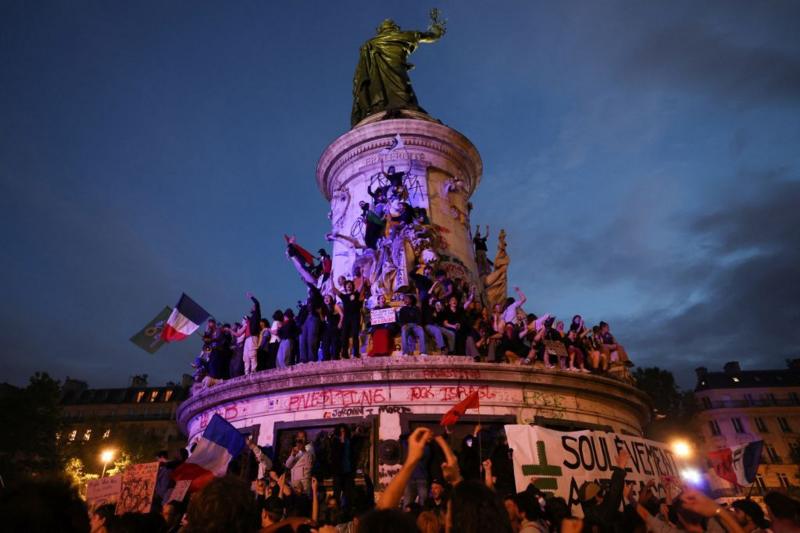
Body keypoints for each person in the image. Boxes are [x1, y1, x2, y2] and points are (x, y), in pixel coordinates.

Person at [350, 10, 446, 126]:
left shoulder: (371, 44)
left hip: (377, 80)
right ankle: (400, 105)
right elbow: (430, 36)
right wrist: (436, 29)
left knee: (390, 91)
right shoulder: (403, 36)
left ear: (380, 30)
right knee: (403, 91)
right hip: (398, 70)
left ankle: (381, 105)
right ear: (395, 28)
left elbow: (362, 73)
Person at [579, 448, 629, 533]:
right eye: (601, 493)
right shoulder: (603, 516)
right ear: (597, 498)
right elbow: (613, 495)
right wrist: (620, 469)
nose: (605, 495)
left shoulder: (586, 520)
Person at [337, 280, 364, 359]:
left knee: (355, 335)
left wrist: (362, 273)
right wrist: (331, 279)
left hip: (355, 317)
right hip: (346, 318)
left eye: (350, 284)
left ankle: (356, 354)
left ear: (352, 286)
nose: (349, 286)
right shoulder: (344, 296)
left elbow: (361, 284)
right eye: (347, 285)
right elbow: (334, 290)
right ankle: (345, 354)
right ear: (345, 287)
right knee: (344, 335)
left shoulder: (356, 294)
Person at [285, 430, 314, 496]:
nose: (300, 439)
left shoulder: (310, 449)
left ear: (306, 439)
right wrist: (292, 455)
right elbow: (288, 465)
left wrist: (303, 449)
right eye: (299, 437)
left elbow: (309, 466)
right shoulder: (295, 450)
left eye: (303, 437)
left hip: (304, 487)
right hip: (294, 486)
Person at [242, 292, 262, 375]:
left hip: (253, 337)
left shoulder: (257, 314)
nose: (252, 307)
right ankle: (246, 372)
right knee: (245, 356)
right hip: (247, 338)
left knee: (252, 354)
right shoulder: (252, 318)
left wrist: (251, 297)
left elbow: (257, 303)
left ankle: (254, 370)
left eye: (253, 307)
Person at [320, 294, 342, 361]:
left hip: (334, 327)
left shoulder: (335, 306)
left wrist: (340, 323)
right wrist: (320, 313)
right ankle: (326, 358)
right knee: (325, 343)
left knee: (334, 343)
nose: (326, 299)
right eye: (325, 298)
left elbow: (342, 315)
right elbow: (323, 320)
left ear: (331, 299)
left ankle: (335, 357)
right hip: (327, 328)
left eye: (328, 298)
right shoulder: (324, 308)